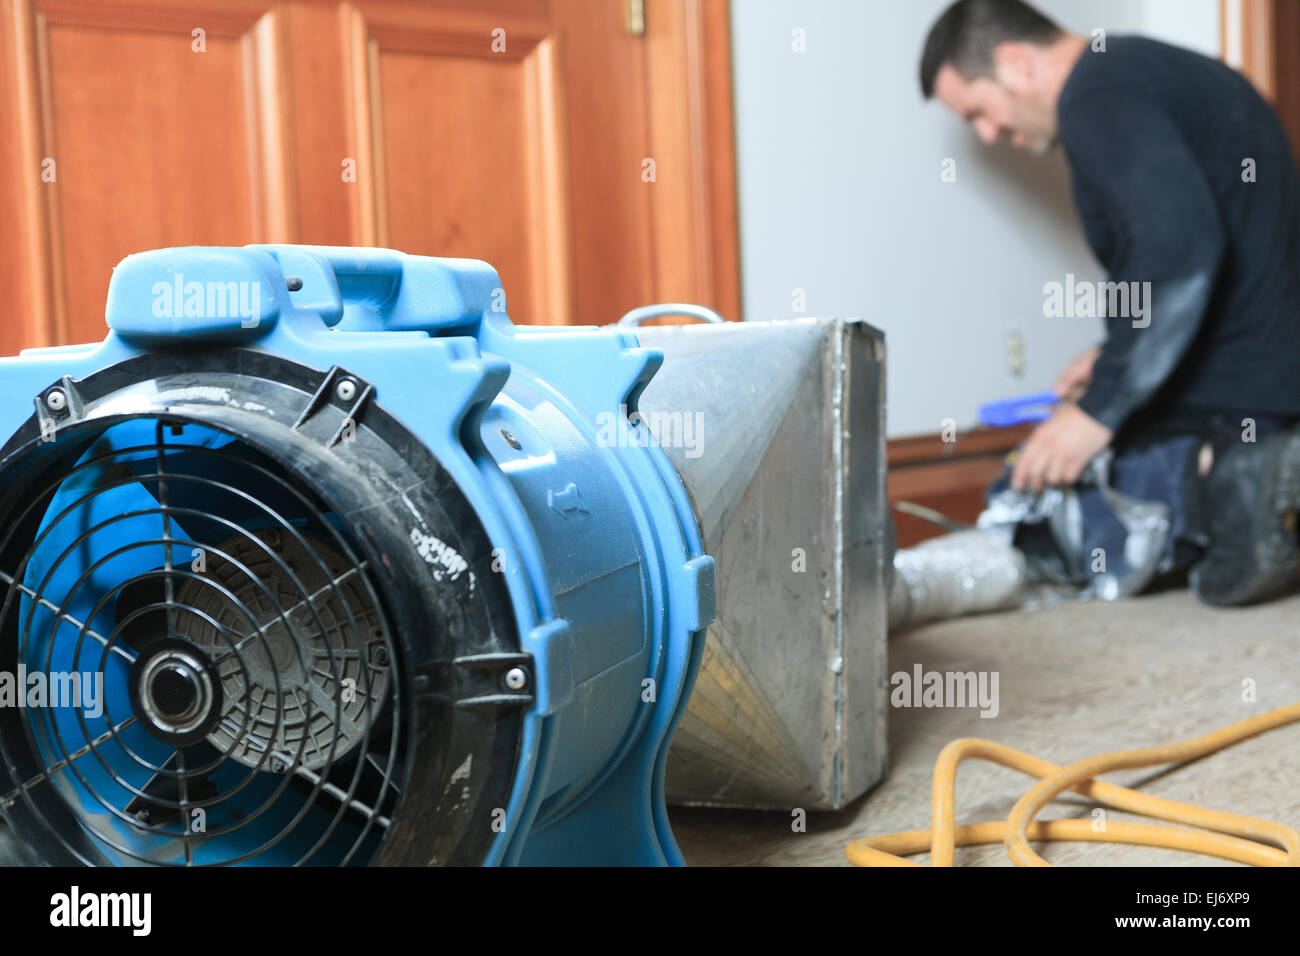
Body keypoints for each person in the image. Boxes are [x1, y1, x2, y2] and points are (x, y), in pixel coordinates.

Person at [915, 0, 1300, 607]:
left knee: (1035, 513)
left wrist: (1098, 410)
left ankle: (1224, 477)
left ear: (1015, 64)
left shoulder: (1096, 95)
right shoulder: (1152, 71)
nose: (988, 134)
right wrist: (1111, 353)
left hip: (1238, 397)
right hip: (1274, 375)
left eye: (978, 112)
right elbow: (1210, 248)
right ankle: (1244, 479)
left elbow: (1180, 247)